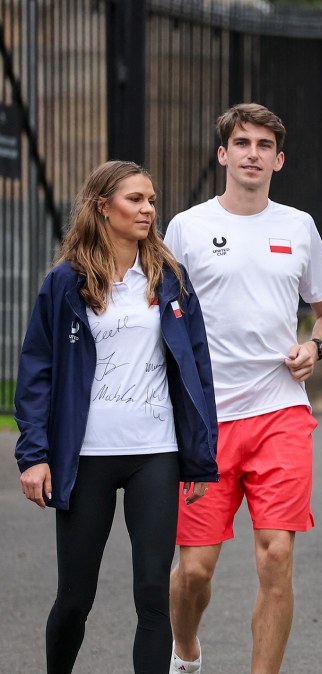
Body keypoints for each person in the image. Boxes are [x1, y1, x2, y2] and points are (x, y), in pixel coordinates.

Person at [13, 160, 218, 674]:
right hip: (86, 456)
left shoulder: (170, 279)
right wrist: (34, 455)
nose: (148, 209)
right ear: (102, 207)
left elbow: (198, 370)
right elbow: (36, 371)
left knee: (153, 596)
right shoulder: (65, 283)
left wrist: (199, 456)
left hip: (156, 452)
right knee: (75, 598)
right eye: (135, 199)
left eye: (151, 199)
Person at [164, 103, 322, 674]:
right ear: (223, 154)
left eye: (264, 146)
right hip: (206, 420)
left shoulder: (299, 227)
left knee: (277, 555)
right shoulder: (187, 228)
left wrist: (314, 347)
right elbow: (162, 318)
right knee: (195, 570)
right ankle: (186, 651)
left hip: (280, 413)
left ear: (279, 159)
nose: (252, 154)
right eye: (242, 143)